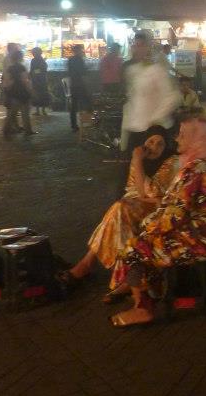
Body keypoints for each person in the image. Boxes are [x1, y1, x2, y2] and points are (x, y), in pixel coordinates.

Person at [109, 118, 206, 327]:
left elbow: (174, 216)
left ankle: (143, 308)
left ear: (196, 141)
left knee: (132, 249)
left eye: (183, 135)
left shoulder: (193, 170)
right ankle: (152, 292)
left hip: (200, 238)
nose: (177, 139)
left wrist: (148, 227)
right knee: (147, 241)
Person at [58, 126, 178, 301]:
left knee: (120, 209)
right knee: (120, 215)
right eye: (151, 141)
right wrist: (138, 165)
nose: (154, 147)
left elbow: (149, 192)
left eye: (160, 144)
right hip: (133, 205)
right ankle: (125, 279)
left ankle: (87, 264)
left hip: (156, 208)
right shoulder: (139, 159)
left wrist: (137, 161)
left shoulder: (170, 162)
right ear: (143, 142)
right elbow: (132, 190)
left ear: (166, 147)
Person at [121, 32, 180, 153]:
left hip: (153, 131)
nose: (137, 49)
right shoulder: (132, 70)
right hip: (135, 127)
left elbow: (173, 96)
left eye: (141, 45)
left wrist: (155, 119)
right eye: (135, 45)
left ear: (148, 47)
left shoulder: (158, 71)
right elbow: (133, 100)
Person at [2, 50, 33, 137]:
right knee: (25, 112)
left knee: (12, 113)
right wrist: (30, 90)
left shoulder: (9, 68)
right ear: (20, 58)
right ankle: (28, 130)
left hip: (13, 92)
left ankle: (6, 129)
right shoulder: (22, 67)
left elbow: (6, 80)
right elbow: (25, 80)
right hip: (22, 91)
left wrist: (7, 90)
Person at [67, 44, 92, 132]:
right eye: (81, 50)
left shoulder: (70, 60)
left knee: (74, 106)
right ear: (78, 51)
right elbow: (83, 73)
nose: (82, 52)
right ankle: (87, 122)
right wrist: (87, 84)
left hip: (73, 85)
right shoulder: (79, 60)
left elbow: (70, 72)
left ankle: (74, 125)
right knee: (87, 104)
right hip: (80, 85)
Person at [28, 47, 50, 116]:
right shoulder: (42, 60)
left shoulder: (35, 60)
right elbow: (43, 70)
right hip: (42, 79)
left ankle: (38, 110)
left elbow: (34, 70)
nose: (33, 54)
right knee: (42, 94)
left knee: (37, 94)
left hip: (37, 80)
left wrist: (32, 74)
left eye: (33, 52)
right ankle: (43, 110)